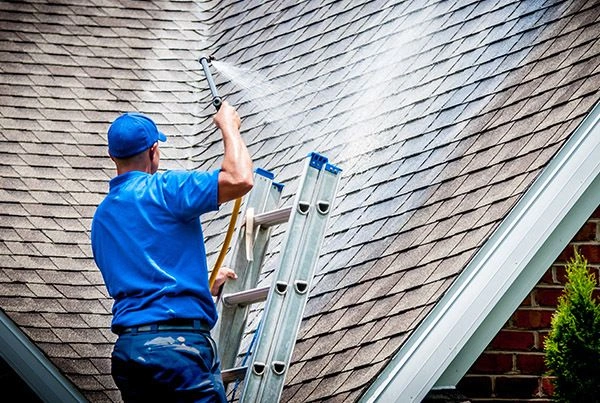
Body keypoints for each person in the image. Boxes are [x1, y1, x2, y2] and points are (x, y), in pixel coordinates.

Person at [91, 101, 253, 403]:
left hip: (130, 354)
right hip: (178, 351)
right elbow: (240, 179)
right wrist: (229, 126)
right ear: (154, 151)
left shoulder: (102, 218)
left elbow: (143, 279)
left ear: (112, 155)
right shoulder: (165, 190)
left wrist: (199, 288)